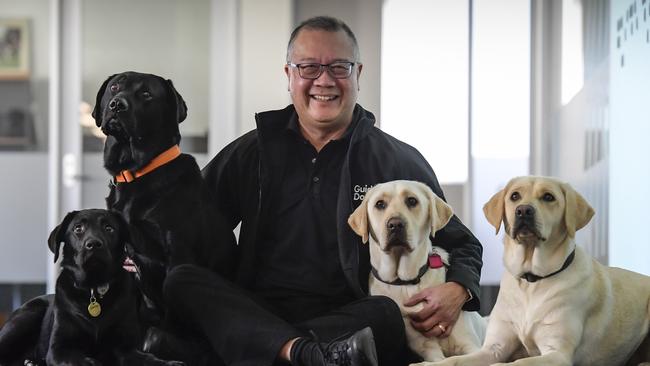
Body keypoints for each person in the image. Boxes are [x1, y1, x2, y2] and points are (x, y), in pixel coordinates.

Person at [163, 16, 482, 366]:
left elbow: (461, 242)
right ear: (289, 75)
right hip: (260, 306)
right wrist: (136, 241)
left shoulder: (396, 161)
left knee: (387, 313)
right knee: (183, 279)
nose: (324, 80)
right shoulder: (253, 151)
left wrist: (459, 289)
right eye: (309, 67)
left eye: (339, 67)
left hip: (351, 313)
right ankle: (306, 354)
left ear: (358, 72)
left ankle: (274, 349)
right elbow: (189, 216)